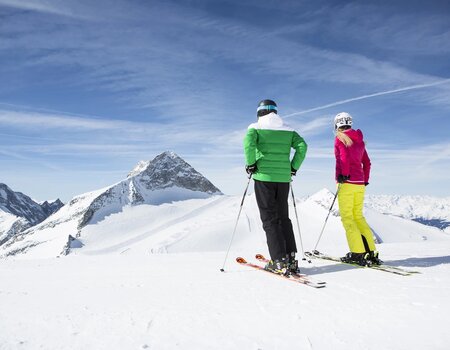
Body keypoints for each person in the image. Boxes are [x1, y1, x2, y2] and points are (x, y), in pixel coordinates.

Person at [243, 99, 307, 274]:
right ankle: (291, 259)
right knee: (283, 218)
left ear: (259, 113)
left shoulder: (254, 128)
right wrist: (293, 167)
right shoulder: (289, 130)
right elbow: (302, 147)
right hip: (283, 179)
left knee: (270, 220)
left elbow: (248, 145)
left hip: (263, 178)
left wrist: (250, 164)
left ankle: (278, 261)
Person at [334, 112, 381, 266]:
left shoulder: (339, 138)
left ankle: (357, 253)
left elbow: (344, 158)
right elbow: (367, 163)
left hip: (347, 183)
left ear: (337, 125)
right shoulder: (360, 141)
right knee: (358, 217)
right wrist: (365, 179)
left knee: (348, 218)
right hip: (360, 183)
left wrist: (344, 174)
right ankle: (370, 252)